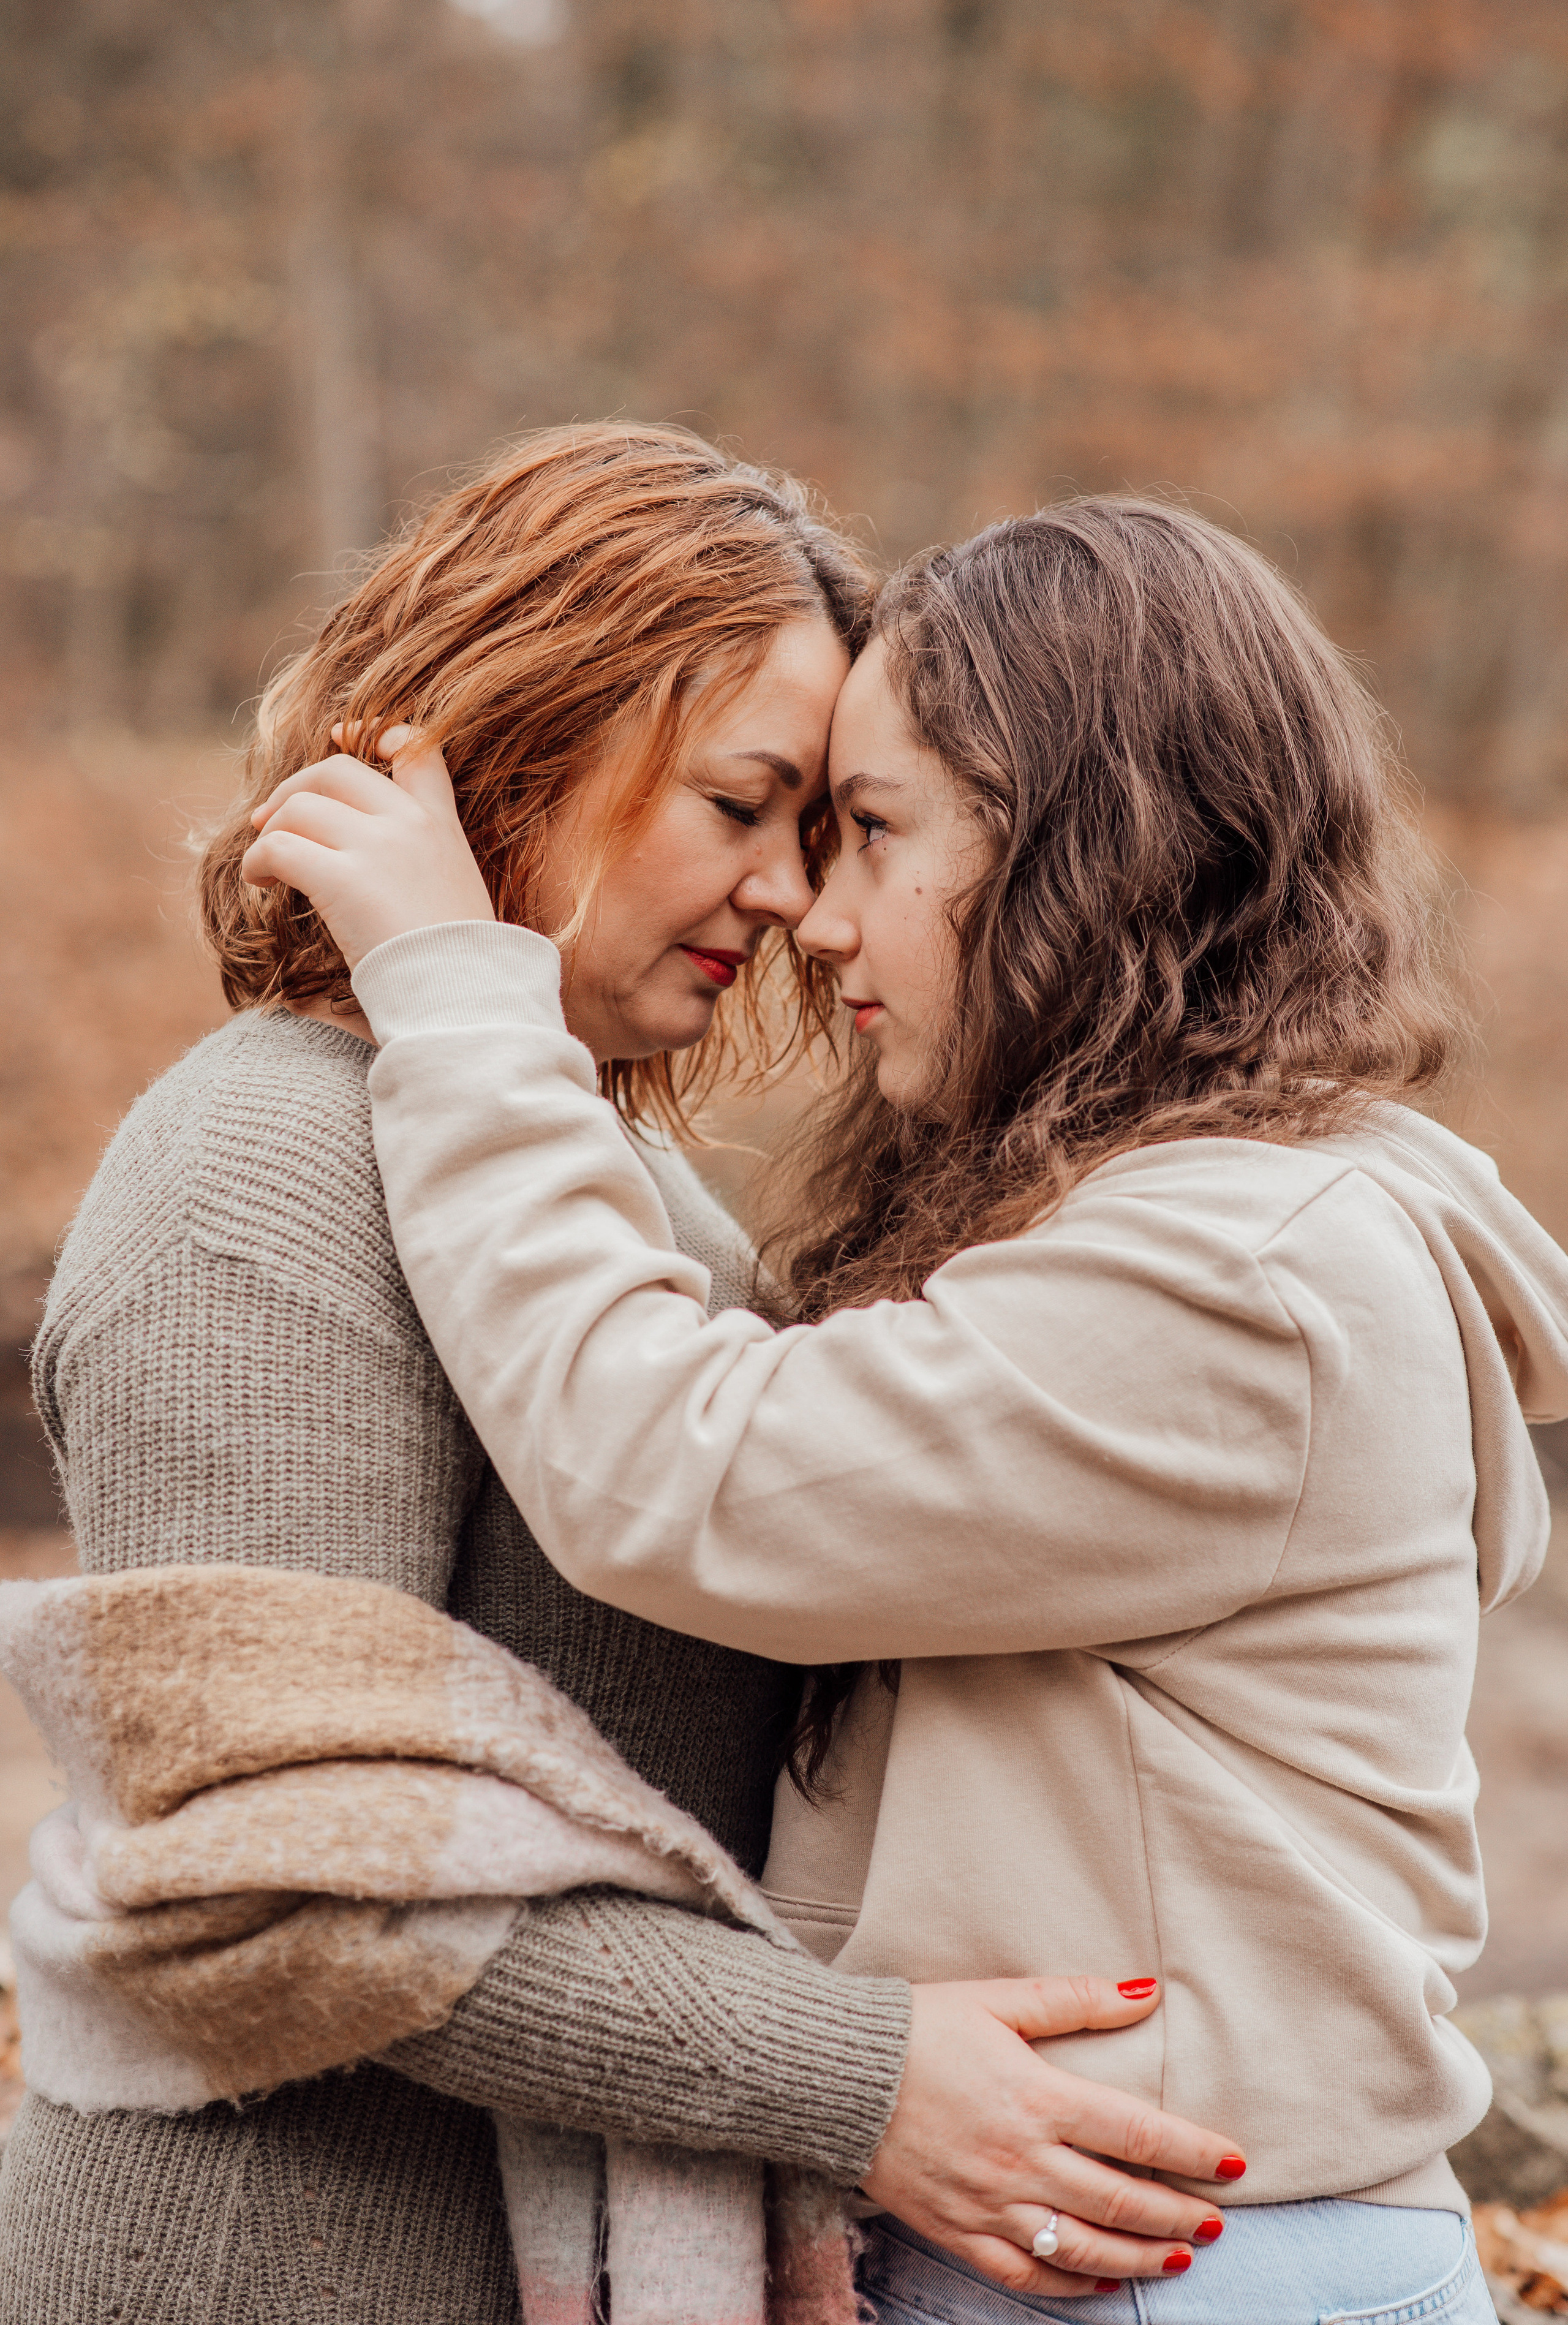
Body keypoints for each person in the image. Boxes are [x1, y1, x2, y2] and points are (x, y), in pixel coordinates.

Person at [243, 493, 1568, 2325]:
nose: (816, 914)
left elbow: (671, 1463)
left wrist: (462, 995)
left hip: (1152, 2270)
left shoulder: (1234, 1275)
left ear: (1087, 842)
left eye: (870, 831)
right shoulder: (1202, 1216)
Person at [0, 439, 1236, 2325]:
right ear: (531, 731)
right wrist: (863, 2078)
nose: (790, 895)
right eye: (744, 802)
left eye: (823, 827)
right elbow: (281, 1868)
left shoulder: (613, 1188)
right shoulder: (254, 1165)